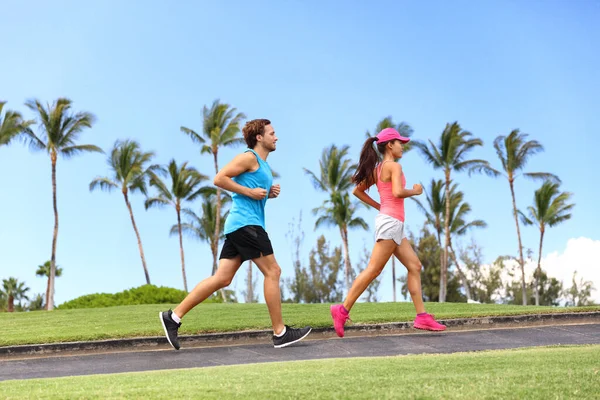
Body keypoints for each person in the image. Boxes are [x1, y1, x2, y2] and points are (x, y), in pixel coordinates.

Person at [160, 118, 312, 349]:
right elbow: (219, 178)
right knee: (273, 271)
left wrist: (266, 194)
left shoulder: (263, 164)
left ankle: (173, 317)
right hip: (247, 225)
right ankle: (280, 333)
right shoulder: (248, 157)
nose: (276, 137)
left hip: (239, 226)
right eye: (272, 133)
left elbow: (249, 190)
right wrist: (250, 192)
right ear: (259, 137)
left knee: (223, 278)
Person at [330, 127, 446, 337]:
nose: (403, 146)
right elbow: (397, 192)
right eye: (400, 143)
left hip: (393, 223)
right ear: (390, 145)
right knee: (373, 269)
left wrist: (380, 206)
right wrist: (416, 191)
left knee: (414, 265)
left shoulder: (378, 169)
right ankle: (342, 309)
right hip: (391, 223)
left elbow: (357, 190)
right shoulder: (394, 166)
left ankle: (422, 317)